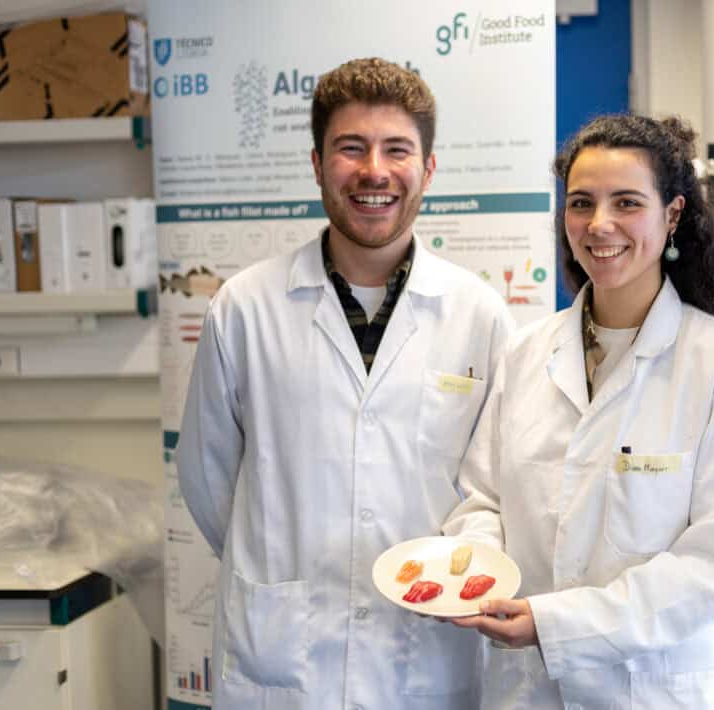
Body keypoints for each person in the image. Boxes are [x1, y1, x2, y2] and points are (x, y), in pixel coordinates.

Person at [176, 58, 514, 710]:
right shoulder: (245, 309)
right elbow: (208, 479)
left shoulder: (480, 316)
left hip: (424, 657)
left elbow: (492, 488)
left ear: (429, 169)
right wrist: (279, 565)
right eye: (350, 148)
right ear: (317, 163)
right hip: (283, 663)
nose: (374, 171)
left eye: (397, 150)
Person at [443, 113, 714, 709]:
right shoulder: (527, 353)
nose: (600, 224)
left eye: (627, 202)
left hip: (660, 688)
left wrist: (553, 624)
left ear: (674, 214)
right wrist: (479, 572)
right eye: (581, 202)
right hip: (529, 689)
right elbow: (482, 499)